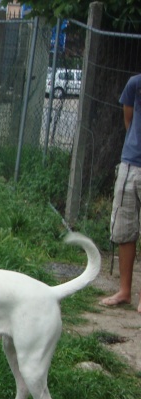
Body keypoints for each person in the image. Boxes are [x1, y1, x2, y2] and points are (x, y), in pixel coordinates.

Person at [100, 73, 141, 312]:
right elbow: (129, 120)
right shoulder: (135, 84)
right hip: (130, 165)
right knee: (124, 230)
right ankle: (125, 291)